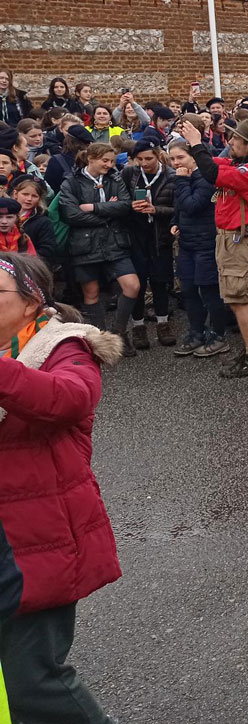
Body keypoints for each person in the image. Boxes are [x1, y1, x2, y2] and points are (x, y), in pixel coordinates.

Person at [0, 252, 122, 723]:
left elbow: (69, 400)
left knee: (34, 681)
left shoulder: (65, 346)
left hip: (33, 539)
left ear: (31, 302)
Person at [175, 117, 248, 378]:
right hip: (232, 239)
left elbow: (211, 172)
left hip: (240, 241)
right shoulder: (240, 165)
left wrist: (197, 142)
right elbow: (206, 164)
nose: (230, 142)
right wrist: (191, 146)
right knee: (238, 297)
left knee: (238, 298)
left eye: (236, 138)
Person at [58, 142, 142, 349]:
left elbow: (124, 206)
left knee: (132, 286)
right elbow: (71, 214)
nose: (109, 165)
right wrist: (107, 213)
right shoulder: (71, 182)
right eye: (105, 161)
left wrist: (93, 207)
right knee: (91, 293)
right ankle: (101, 340)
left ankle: (118, 332)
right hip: (84, 244)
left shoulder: (115, 178)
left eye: (112, 161)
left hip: (115, 241)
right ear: (91, 159)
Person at [167, 139, 228, 357]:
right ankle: (196, 332)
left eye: (180, 157)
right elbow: (180, 208)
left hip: (206, 243)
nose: (176, 162)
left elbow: (192, 205)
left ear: (193, 157)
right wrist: (174, 222)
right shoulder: (183, 178)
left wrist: (182, 181)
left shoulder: (204, 178)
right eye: (172, 159)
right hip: (187, 243)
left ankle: (218, 334)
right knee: (189, 289)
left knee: (210, 291)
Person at [122, 138, 177, 349]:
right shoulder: (130, 173)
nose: (144, 163)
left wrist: (156, 210)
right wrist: (130, 205)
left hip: (160, 236)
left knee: (160, 281)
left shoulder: (171, 176)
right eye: (140, 159)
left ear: (158, 155)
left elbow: (177, 209)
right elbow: (119, 199)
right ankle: (138, 326)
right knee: (138, 282)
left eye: (148, 159)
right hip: (136, 235)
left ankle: (163, 323)